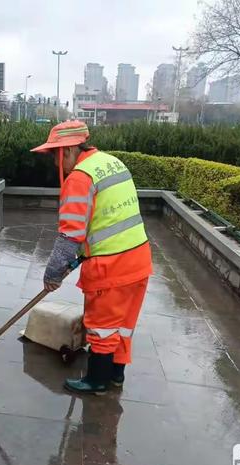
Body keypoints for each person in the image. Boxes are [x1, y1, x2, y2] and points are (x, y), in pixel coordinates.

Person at [31, 120, 152, 395]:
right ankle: (116, 375)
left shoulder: (80, 177)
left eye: (55, 155)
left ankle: (96, 380)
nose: (54, 162)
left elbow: (69, 237)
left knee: (102, 327)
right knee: (123, 325)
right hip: (140, 259)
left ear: (70, 149)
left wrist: (52, 275)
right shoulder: (112, 162)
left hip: (111, 268)